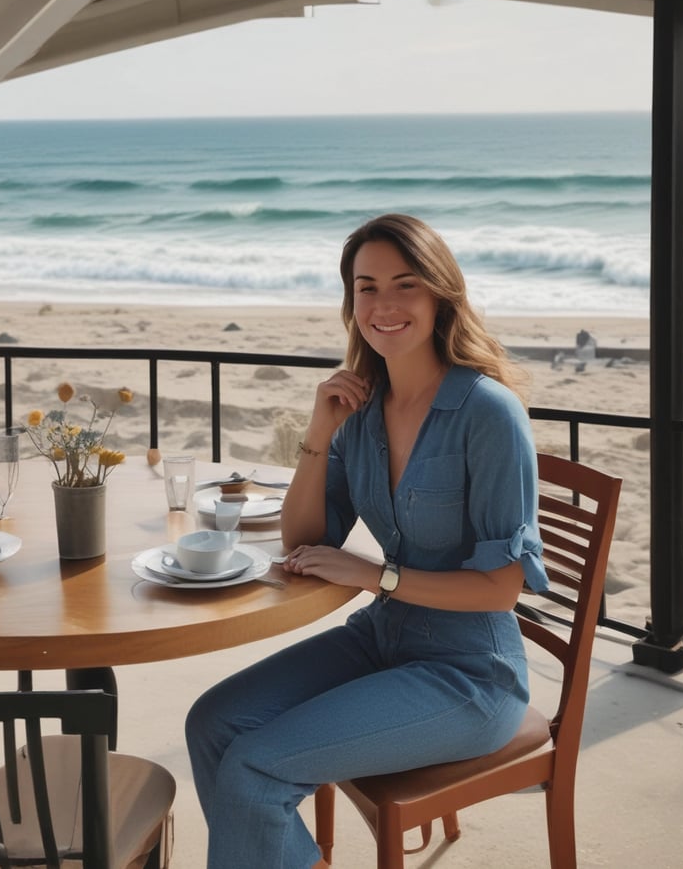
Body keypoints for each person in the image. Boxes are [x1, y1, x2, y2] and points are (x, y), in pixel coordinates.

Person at [185, 213, 549, 869]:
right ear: (350, 302)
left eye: (405, 284)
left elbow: (502, 589)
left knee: (255, 769)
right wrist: (319, 430)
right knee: (213, 722)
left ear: (440, 295)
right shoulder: (362, 408)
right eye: (367, 287)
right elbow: (305, 540)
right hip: (382, 640)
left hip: (470, 675)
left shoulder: (489, 414)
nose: (384, 305)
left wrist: (376, 576)